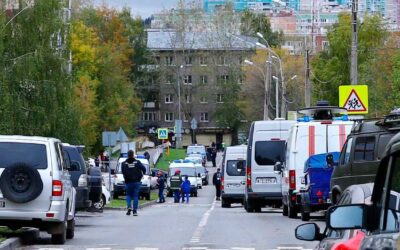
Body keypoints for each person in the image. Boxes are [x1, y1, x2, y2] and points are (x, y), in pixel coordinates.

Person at [121, 150, 146, 216]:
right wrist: (143, 174)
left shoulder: (124, 163)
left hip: (128, 182)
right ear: (133, 155)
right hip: (137, 182)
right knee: (135, 196)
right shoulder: (137, 162)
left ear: (127, 155)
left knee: (128, 195)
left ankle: (129, 207)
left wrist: (125, 177)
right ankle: (134, 211)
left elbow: (123, 171)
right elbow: (144, 168)